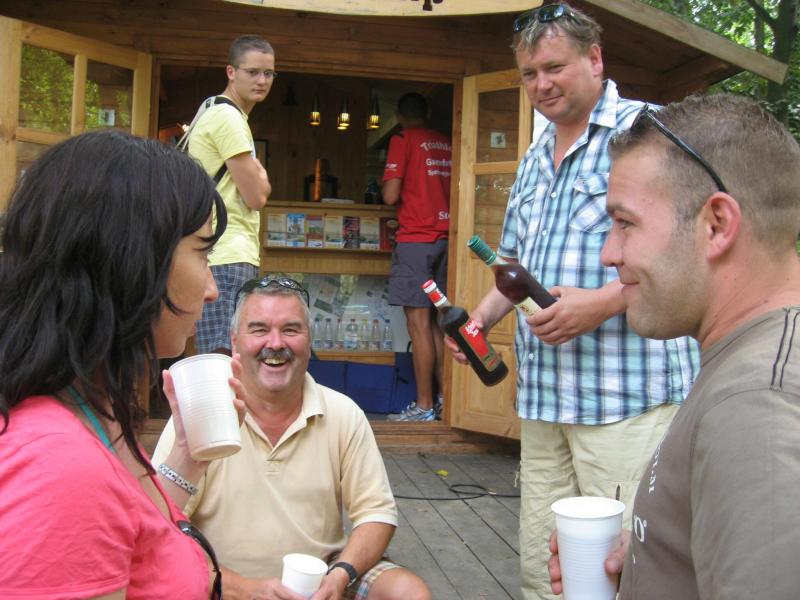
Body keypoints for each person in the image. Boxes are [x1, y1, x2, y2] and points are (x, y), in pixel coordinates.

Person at [445, 4, 700, 598]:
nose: (542, 84)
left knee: (623, 571)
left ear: (595, 59)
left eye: (554, 67)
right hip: (545, 401)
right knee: (544, 572)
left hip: (625, 399)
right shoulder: (535, 156)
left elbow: (692, 244)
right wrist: (480, 320)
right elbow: (512, 265)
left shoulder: (648, 131)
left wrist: (604, 302)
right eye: (529, 74)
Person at [548, 93, 800, 599]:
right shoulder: (747, 360)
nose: (608, 254)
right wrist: (654, 556)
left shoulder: (757, 404)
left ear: (716, 225)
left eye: (625, 223)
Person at [0, 131, 243, 598]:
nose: (212, 289)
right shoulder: (60, 467)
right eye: (202, 252)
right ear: (130, 262)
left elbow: (128, 535)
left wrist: (187, 459)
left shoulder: (90, 410)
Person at [154, 277, 432, 600]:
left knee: (408, 592)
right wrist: (244, 589)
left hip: (320, 584)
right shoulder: (202, 415)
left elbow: (377, 514)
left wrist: (340, 574)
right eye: (259, 329)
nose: (275, 343)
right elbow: (159, 524)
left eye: (290, 330)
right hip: (220, 582)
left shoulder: (342, 413)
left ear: (309, 342)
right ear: (235, 342)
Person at [190, 34, 274, 355]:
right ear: (231, 72)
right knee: (224, 356)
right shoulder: (228, 117)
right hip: (227, 253)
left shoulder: (211, 110)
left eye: (268, 73)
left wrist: (257, 175)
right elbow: (256, 197)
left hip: (216, 252)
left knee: (225, 354)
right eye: (252, 72)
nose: (261, 80)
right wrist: (262, 178)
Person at [382, 92, 452, 421]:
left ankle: (423, 406)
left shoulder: (402, 139)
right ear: (428, 112)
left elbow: (390, 194)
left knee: (419, 324)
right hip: (447, 241)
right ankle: (445, 400)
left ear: (399, 115)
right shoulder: (446, 143)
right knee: (439, 323)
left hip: (416, 240)